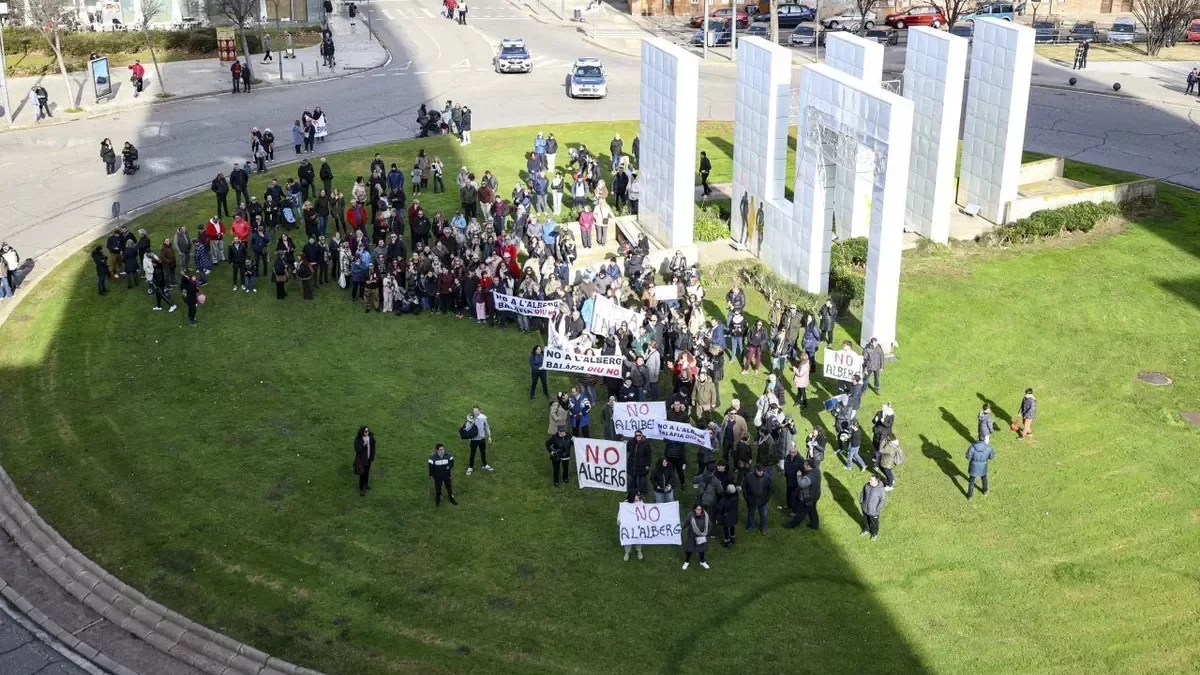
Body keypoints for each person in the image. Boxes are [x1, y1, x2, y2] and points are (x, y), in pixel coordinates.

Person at [784, 460, 821, 530]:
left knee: (801, 513)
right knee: (812, 510)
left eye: (805, 465)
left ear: (809, 466)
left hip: (808, 498)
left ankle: (792, 524)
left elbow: (802, 484)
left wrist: (799, 476)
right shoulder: (816, 470)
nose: (803, 466)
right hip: (815, 495)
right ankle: (815, 525)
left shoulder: (810, 477)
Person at [742, 464, 773, 535]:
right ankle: (751, 526)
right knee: (750, 514)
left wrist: (767, 498)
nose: (760, 472)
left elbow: (771, 489)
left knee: (763, 515)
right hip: (751, 500)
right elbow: (744, 487)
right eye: (759, 471)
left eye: (762, 471)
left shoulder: (767, 477)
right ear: (755, 470)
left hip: (763, 501)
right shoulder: (749, 476)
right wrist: (746, 497)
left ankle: (763, 528)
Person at [682, 502, 712, 570]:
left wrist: (706, 534)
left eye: (700, 509)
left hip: (702, 536)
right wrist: (680, 528)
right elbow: (686, 522)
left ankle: (702, 561)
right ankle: (686, 562)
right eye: (697, 509)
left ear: (702, 509)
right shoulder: (691, 515)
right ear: (694, 509)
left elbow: (709, 525)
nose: (698, 511)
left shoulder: (705, 516)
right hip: (692, 536)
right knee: (689, 549)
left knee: (702, 550)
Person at [465, 406, 493, 474]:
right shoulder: (470, 418)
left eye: (476, 411)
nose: (475, 412)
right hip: (473, 440)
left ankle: (485, 465)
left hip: (481, 439)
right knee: (472, 454)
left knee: (483, 452)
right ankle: (470, 467)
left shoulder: (483, 417)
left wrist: (489, 436)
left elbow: (486, 426)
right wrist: (471, 422)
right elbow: (467, 429)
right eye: (474, 411)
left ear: (479, 411)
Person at [625, 430, 652, 499]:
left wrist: (647, 465)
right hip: (632, 466)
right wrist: (624, 444)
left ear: (642, 435)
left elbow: (649, 455)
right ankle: (632, 492)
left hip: (642, 467)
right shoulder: (631, 442)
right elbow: (626, 449)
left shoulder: (646, 443)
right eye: (636, 435)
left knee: (642, 481)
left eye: (639, 435)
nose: (638, 437)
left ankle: (643, 493)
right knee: (631, 481)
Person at [860, 474, 886, 540]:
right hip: (865, 508)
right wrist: (861, 501)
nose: (869, 481)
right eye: (870, 479)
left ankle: (874, 534)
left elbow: (882, 501)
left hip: (874, 511)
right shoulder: (867, 485)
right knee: (866, 521)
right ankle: (866, 529)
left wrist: (877, 510)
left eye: (871, 480)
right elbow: (862, 493)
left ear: (876, 481)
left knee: (874, 523)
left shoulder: (881, 490)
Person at [622, 492, 645, 561]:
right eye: (636, 495)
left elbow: (645, 513)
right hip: (628, 526)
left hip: (638, 525)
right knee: (628, 539)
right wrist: (619, 521)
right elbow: (620, 515)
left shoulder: (641, 503)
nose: (638, 497)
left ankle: (639, 551)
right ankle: (627, 552)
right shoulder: (624, 504)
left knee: (639, 538)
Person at [353, 426, 375, 496]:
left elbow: (373, 447)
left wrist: (372, 456)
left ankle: (366, 484)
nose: (367, 432)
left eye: (368, 431)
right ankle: (361, 488)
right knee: (362, 474)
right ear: (362, 432)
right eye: (366, 431)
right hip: (362, 460)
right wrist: (363, 444)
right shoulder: (358, 439)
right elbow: (357, 449)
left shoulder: (370, 437)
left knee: (367, 472)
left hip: (368, 459)